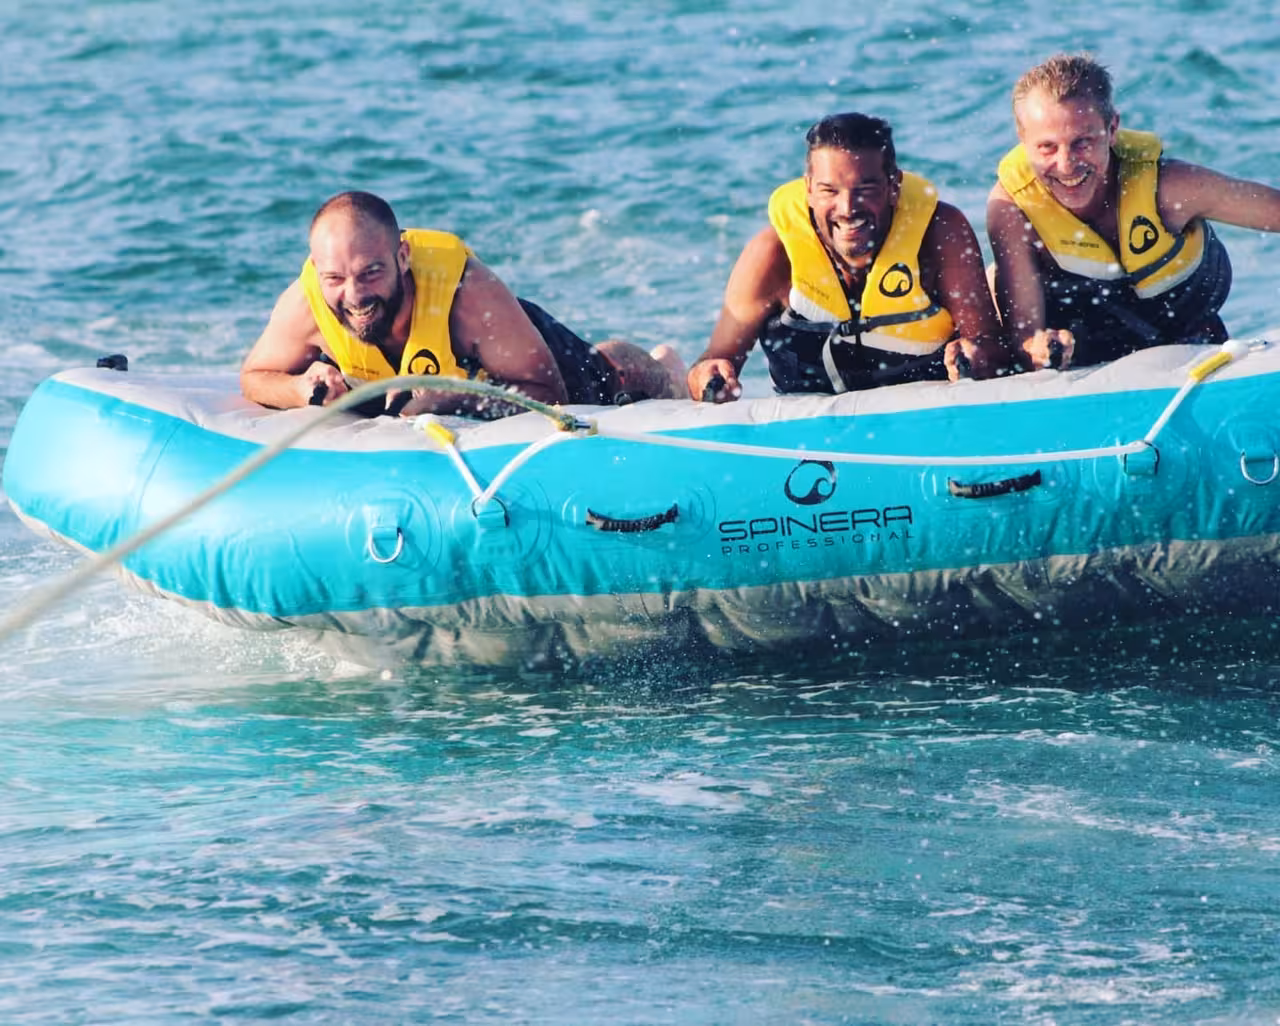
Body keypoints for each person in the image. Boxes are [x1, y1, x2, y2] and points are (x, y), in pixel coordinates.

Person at [241, 191, 687, 417]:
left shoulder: (468, 295)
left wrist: (453, 399)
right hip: (425, 386)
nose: (355, 295)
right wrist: (300, 388)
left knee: (613, 378)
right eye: (336, 278)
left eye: (371, 273)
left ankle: (667, 367)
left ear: (402, 257)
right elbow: (255, 375)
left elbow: (552, 396)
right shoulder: (306, 301)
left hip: (508, 355)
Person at [987, 53, 1280, 371]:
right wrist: (1040, 348)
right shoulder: (1012, 210)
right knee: (993, 286)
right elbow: (1026, 336)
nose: (1066, 163)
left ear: (1111, 129)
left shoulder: (1172, 187)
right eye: (1047, 147)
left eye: (1082, 142)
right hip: (1085, 359)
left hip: (1190, 340)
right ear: (1023, 141)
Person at [687, 112, 1007, 402]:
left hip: (923, 414)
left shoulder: (939, 235)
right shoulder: (772, 255)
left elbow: (990, 345)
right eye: (829, 191)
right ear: (809, 190)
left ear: (894, 186)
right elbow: (715, 359)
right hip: (810, 426)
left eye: (865, 189)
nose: (848, 208)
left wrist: (977, 352)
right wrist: (711, 376)